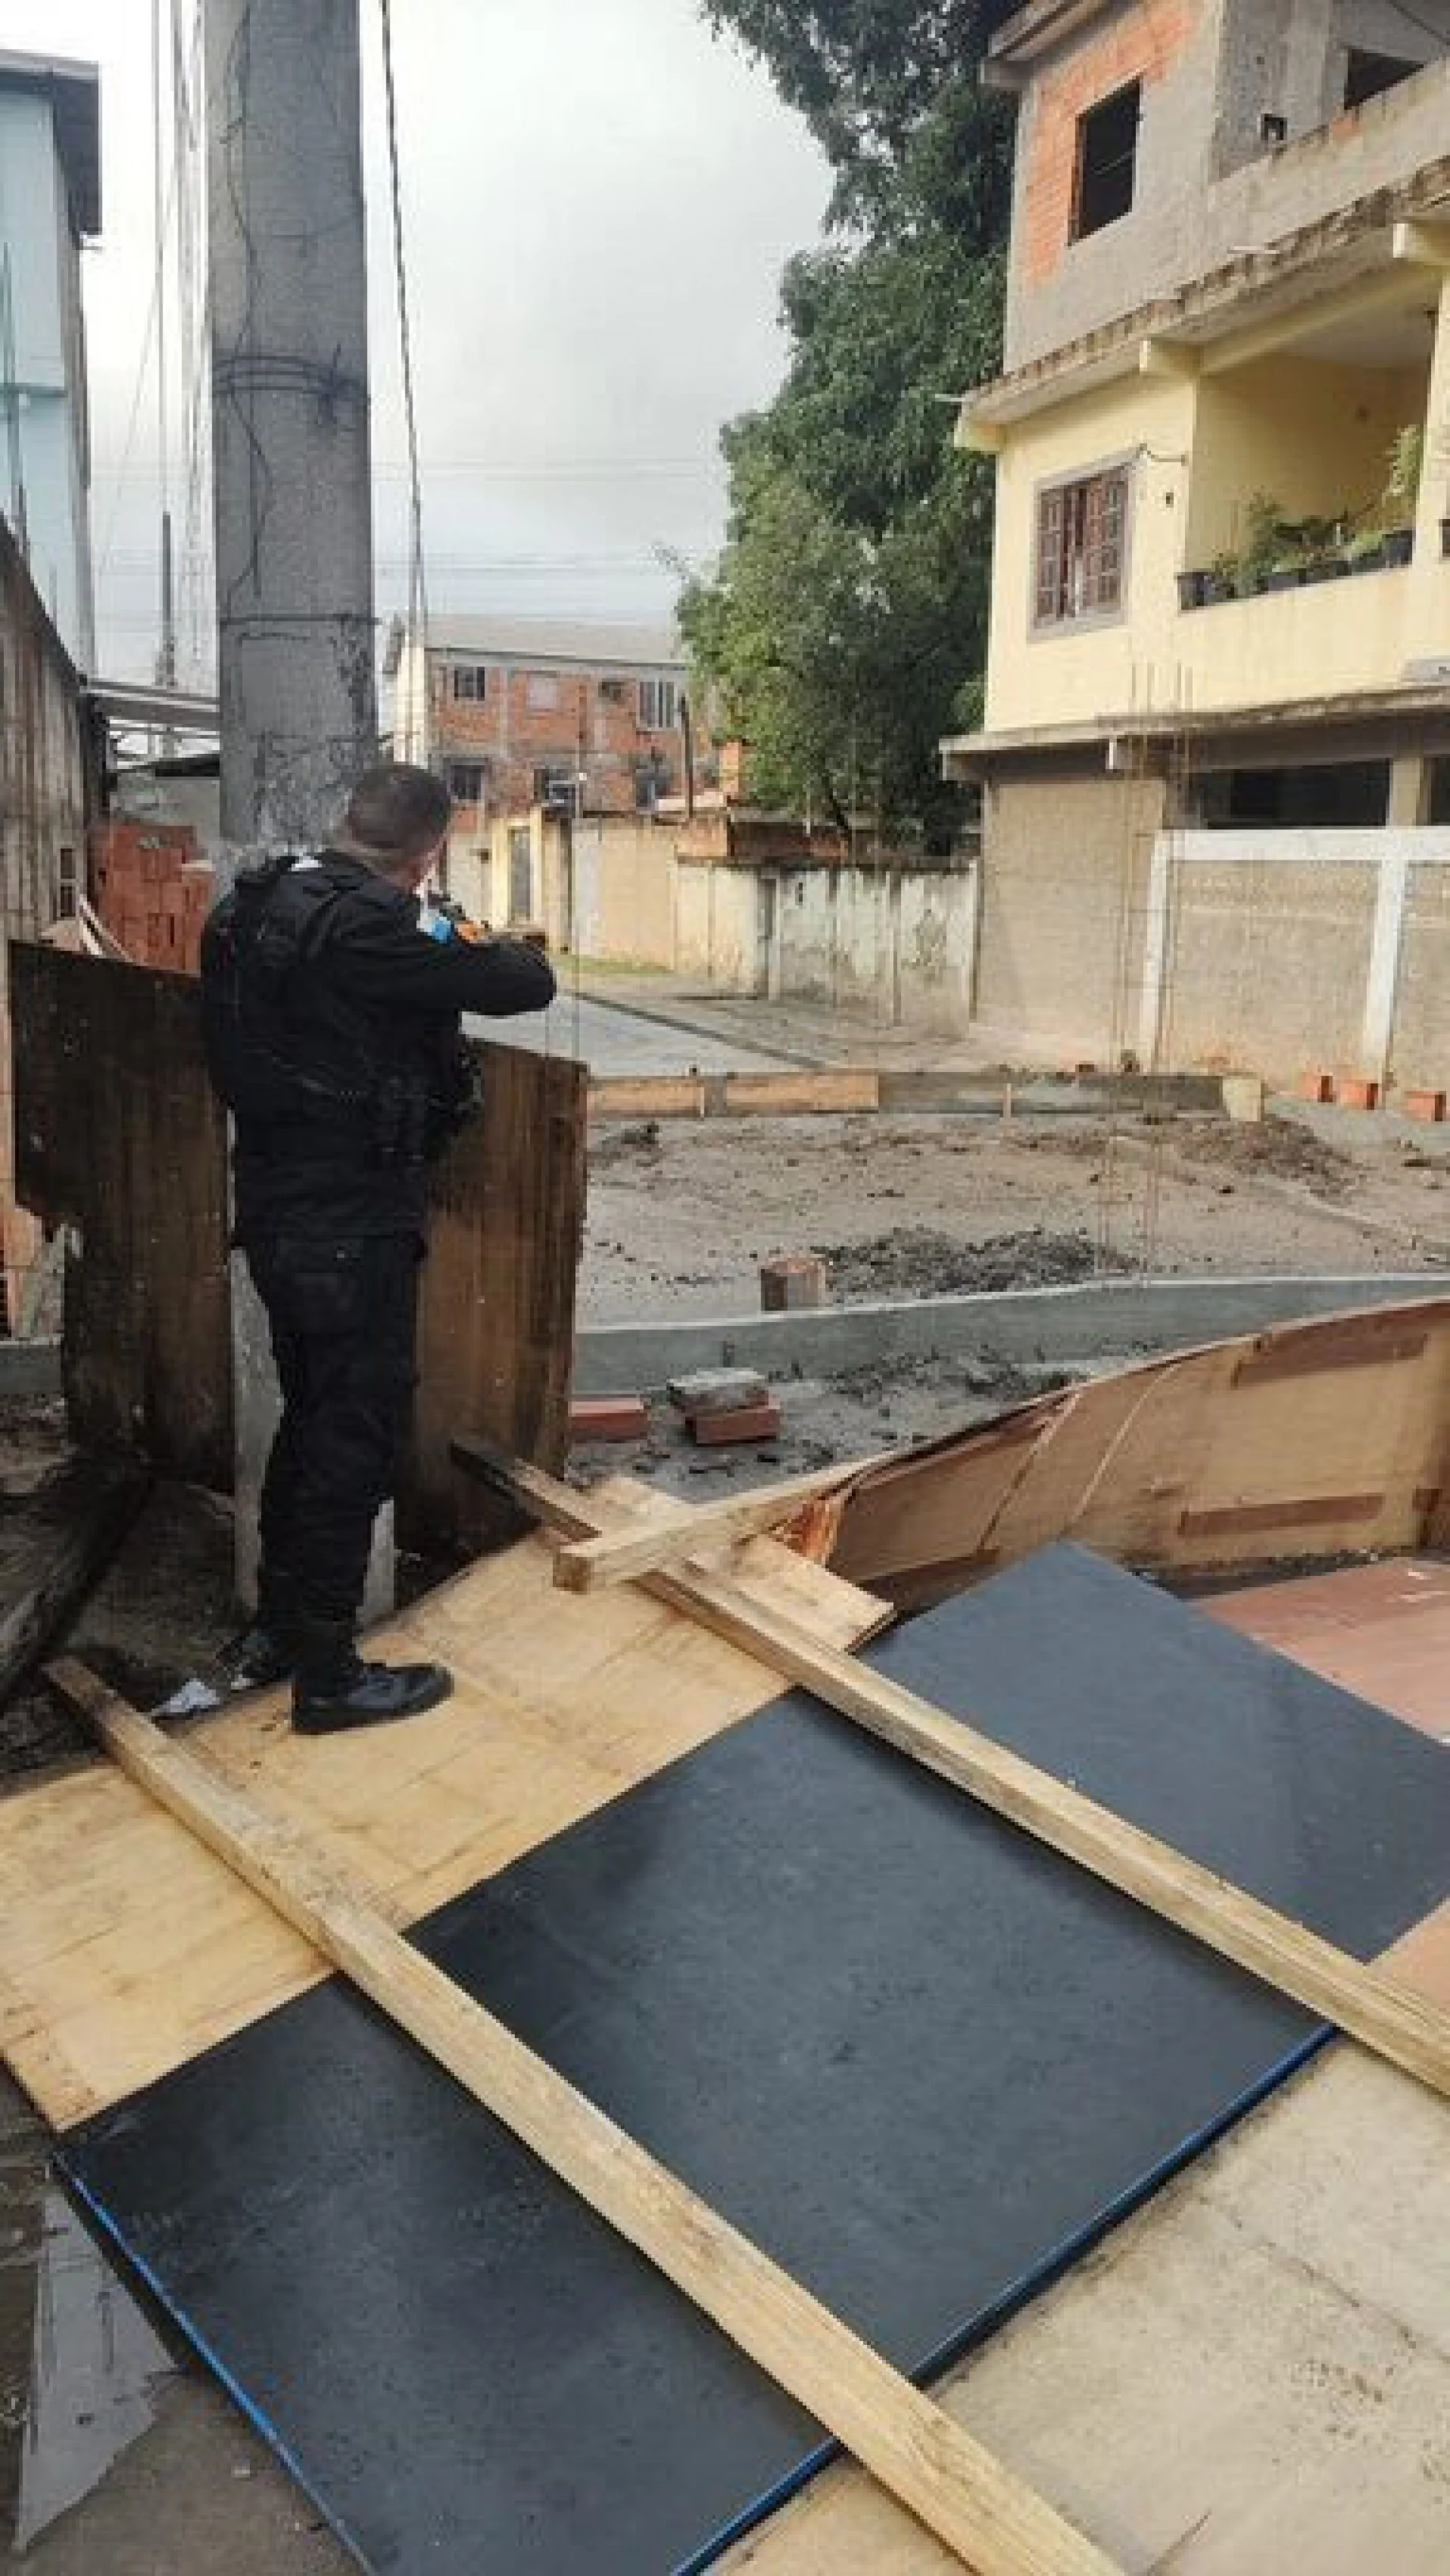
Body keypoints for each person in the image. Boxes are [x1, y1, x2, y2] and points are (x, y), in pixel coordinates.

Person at [199, 761, 556, 1733]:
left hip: (276, 1210)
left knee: (313, 1417)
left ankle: (281, 1626)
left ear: (348, 823)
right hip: (352, 1226)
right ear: (428, 852)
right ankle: (328, 1675)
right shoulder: (378, 925)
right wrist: (442, 918)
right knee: (352, 1436)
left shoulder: (249, 904)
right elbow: (527, 979)